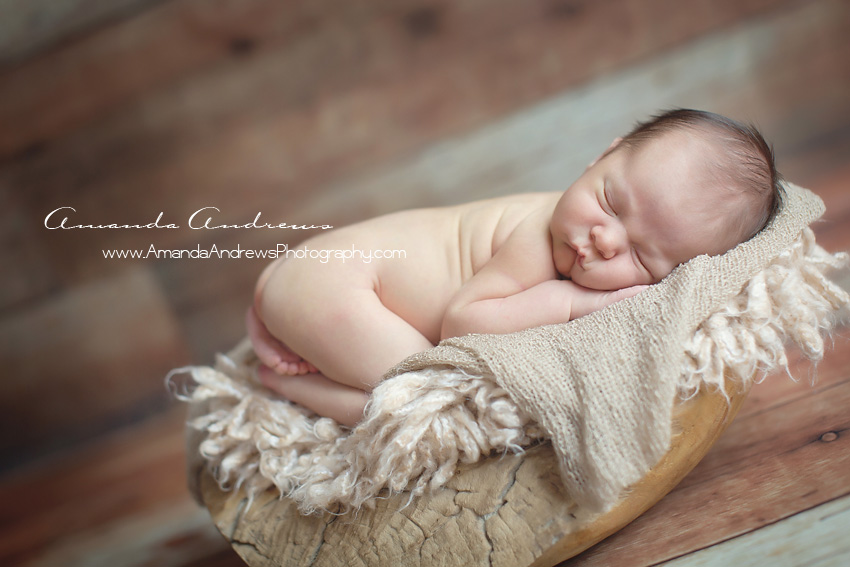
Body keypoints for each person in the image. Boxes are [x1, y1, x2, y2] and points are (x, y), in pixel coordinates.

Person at [246, 109, 781, 426]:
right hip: (337, 282)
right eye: (610, 203)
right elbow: (463, 322)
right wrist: (575, 303)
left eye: (642, 256)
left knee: (418, 388)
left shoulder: (585, 232)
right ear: (602, 156)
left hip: (316, 273)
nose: (604, 239)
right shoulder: (536, 233)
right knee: (422, 397)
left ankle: (284, 337)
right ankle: (286, 386)